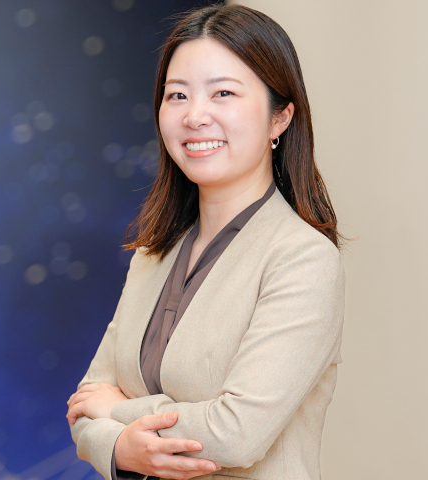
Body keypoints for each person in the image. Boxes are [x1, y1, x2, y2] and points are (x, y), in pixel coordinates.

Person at [65, 4, 345, 480]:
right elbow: (85, 404)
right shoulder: (153, 254)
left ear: (280, 118)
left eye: (223, 93)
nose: (195, 116)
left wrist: (119, 412)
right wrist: (119, 448)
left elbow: (237, 434)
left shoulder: (303, 259)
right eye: (177, 95)